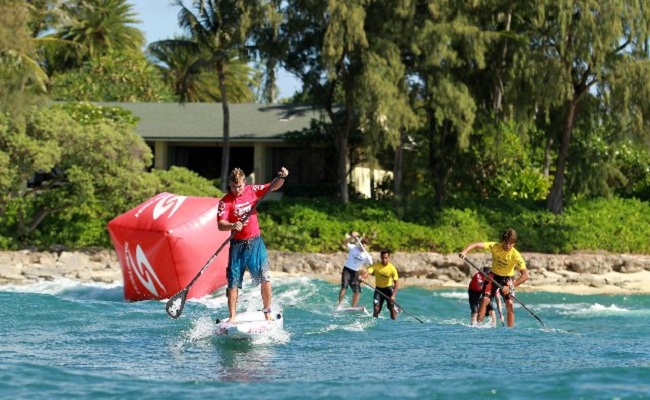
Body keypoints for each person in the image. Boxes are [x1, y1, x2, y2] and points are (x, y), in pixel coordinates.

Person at [218, 167, 288, 322]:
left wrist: (282, 177)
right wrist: (232, 226)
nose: (237, 190)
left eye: (240, 186)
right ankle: (232, 317)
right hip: (237, 245)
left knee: (265, 278)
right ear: (230, 184)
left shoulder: (253, 191)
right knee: (233, 281)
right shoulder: (225, 202)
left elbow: (274, 185)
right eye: (234, 187)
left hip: (256, 242)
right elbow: (221, 224)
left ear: (245, 183)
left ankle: (267, 312)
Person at [458, 228, 528, 327]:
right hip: (493, 276)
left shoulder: (516, 255)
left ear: (514, 243)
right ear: (502, 241)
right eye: (506, 242)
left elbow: (525, 275)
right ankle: (479, 326)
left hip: (507, 279)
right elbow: (476, 244)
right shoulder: (495, 246)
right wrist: (465, 251)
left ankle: (510, 331)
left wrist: (511, 287)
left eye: (510, 243)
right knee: (485, 299)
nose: (507, 246)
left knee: (510, 304)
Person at [337, 231, 373, 309]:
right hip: (347, 270)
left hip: (355, 273)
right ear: (359, 244)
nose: (362, 247)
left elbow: (370, 268)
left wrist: (363, 277)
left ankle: (353, 307)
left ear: (367, 247)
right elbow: (344, 244)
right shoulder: (354, 247)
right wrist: (351, 238)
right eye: (361, 245)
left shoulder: (368, 256)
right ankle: (339, 305)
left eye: (364, 246)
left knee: (357, 291)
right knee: (344, 287)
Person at [361, 249, 399, 320]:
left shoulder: (392, 268)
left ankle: (394, 324)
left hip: (389, 290)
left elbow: (396, 283)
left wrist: (393, 295)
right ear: (380, 257)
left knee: (391, 308)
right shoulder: (376, 266)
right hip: (378, 290)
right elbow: (368, 272)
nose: (384, 259)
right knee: (376, 309)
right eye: (382, 258)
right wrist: (363, 278)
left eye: (386, 258)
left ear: (389, 257)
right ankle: (375, 323)